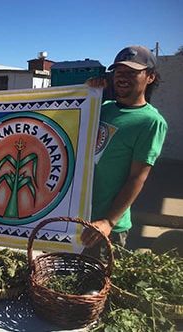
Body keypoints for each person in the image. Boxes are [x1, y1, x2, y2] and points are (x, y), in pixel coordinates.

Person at [81, 45, 167, 255]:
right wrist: (86, 93)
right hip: (76, 217)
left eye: (132, 72)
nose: (122, 77)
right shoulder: (104, 107)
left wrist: (108, 221)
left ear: (150, 77)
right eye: (119, 72)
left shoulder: (151, 122)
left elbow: (137, 177)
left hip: (104, 227)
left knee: (97, 286)